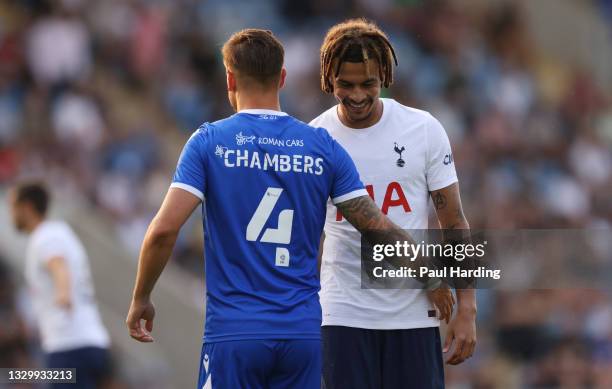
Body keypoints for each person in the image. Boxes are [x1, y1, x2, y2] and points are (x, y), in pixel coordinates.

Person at [125, 28, 452, 389]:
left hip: (236, 332)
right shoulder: (321, 146)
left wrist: (142, 297)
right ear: (282, 78)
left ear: (230, 78)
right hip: (303, 337)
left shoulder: (209, 142)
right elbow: (377, 227)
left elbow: (163, 231)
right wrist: (431, 274)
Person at [310, 19, 478, 389]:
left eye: (367, 83)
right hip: (342, 315)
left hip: (415, 315)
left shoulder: (423, 129)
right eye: (345, 84)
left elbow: (453, 222)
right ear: (328, 80)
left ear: (384, 76)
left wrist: (467, 306)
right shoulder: (315, 139)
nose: (356, 95)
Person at [9, 182, 112, 389]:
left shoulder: (45, 236)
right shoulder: (60, 232)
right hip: (91, 342)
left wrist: (63, 295)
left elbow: (58, 266)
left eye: (13, 207)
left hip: (69, 346)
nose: (11, 214)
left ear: (26, 207)